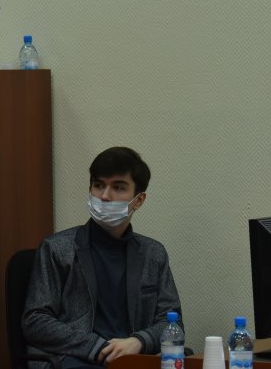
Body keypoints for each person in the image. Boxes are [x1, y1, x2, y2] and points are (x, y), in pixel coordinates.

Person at [21, 147, 182, 368]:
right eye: (98, 185)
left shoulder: (153, 254)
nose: (105, 196)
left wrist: (139, 341)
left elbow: (172, 323)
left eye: (118, 187)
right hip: (76, 357)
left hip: (132, 358)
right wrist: (96, 347)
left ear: (139, 200)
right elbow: (35, 321)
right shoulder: (57, 249)